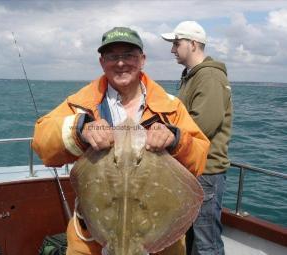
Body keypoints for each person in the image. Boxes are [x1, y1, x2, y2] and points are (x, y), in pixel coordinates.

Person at [33, 26, 210, 255]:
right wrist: (81, 129)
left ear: (142, 60)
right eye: (112, 56)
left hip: (160, 244)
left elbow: (200, 158)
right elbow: (41, 140)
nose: (120, 63)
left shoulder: (171, 107)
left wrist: (175, 139)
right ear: (101, 62)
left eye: (129, 55)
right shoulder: (81, 103)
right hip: (90, 240)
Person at [161, 21, 233, 255]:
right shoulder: (192, 76)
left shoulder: (209, 76)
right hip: (191, 169)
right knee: (191, 238)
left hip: (206, 171)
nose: (172, 49)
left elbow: (203, 126)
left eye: (176, 43)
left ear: (193, 44)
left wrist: (165, 133)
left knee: (206, 243)